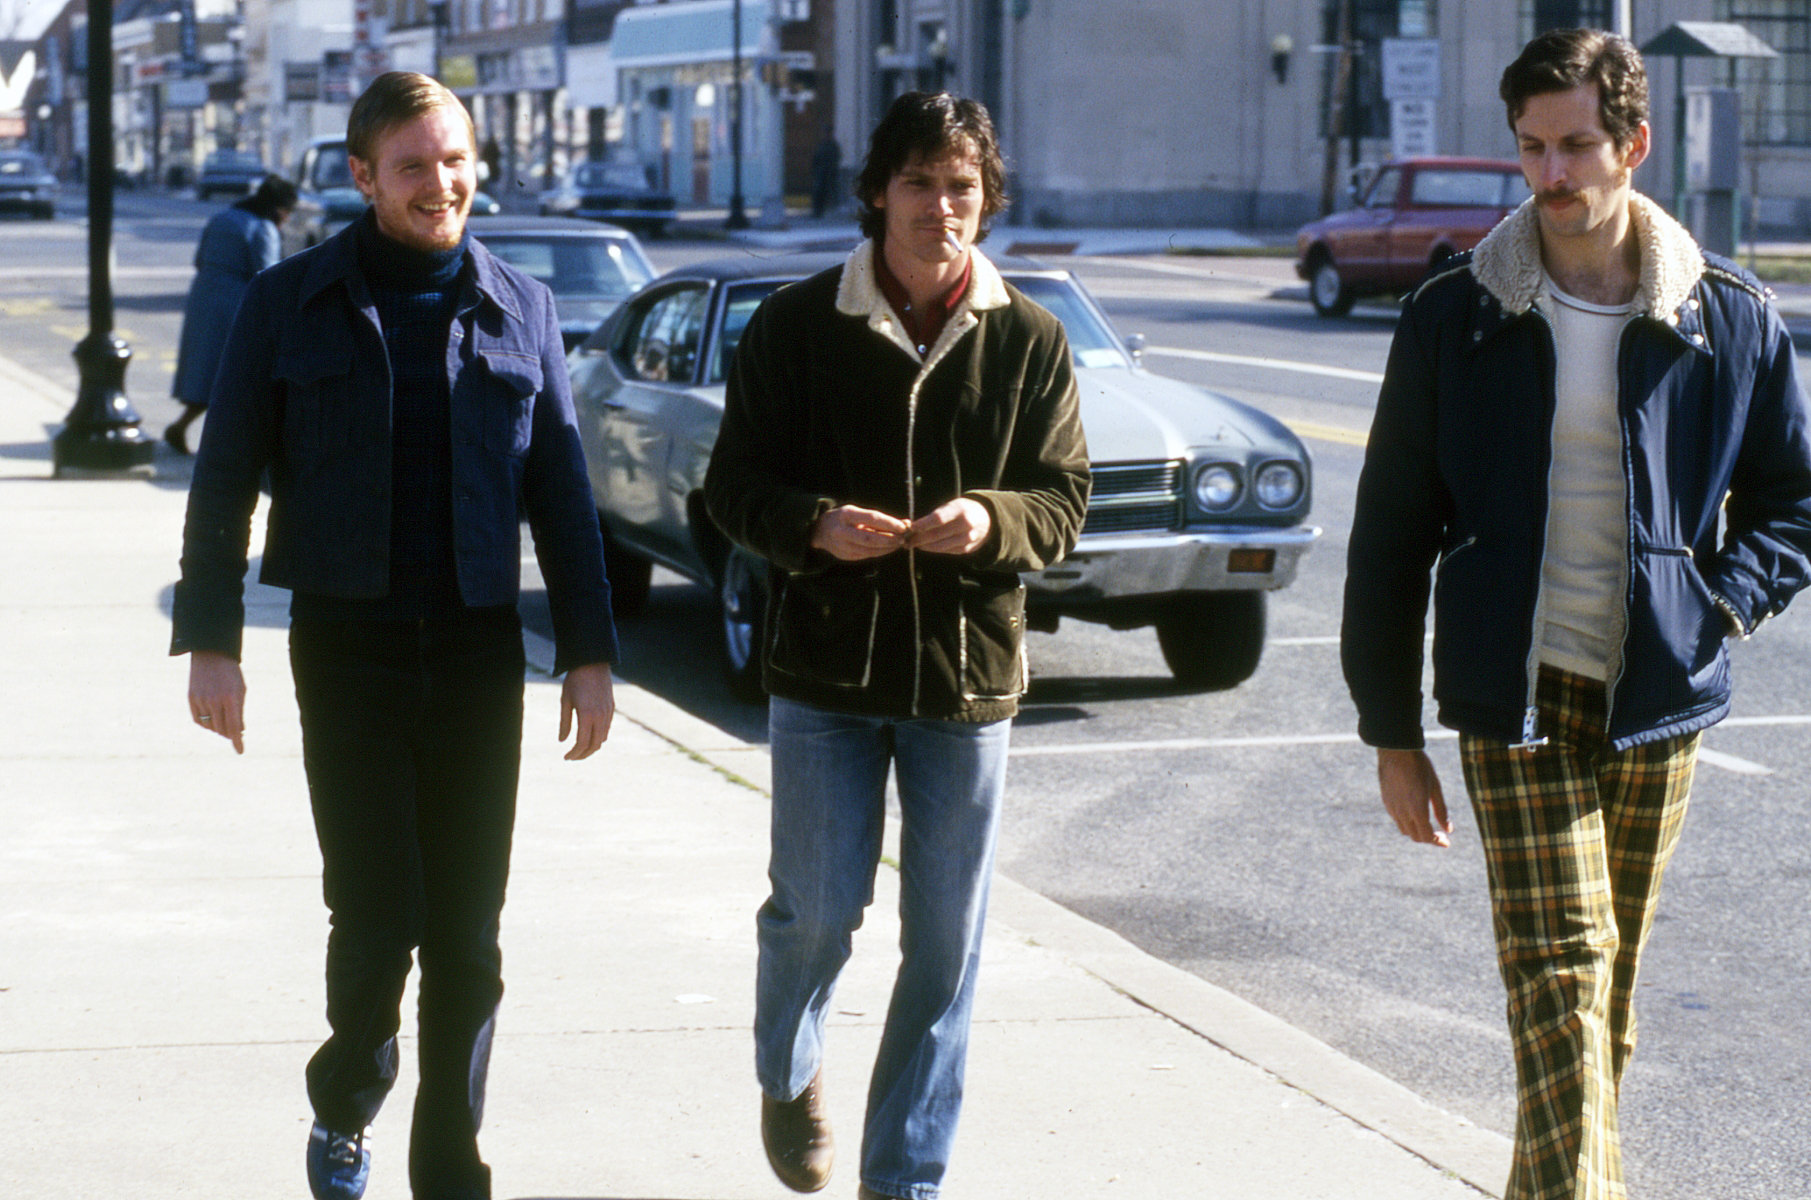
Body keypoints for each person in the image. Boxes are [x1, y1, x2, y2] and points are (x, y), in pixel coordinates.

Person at [1341, 28, 1811, 1200]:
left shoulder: (1727, 318)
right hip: (1516, 691)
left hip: (1656, 695)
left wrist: (1718, 605)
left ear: (1632, 145)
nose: (1550, 177)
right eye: (1530, 150)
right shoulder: (1459, 314)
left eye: (1576, 148)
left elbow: (1793, 501)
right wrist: (1389, 733)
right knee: (1561, 972)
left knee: (1602, 995)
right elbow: (1391, 532)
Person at [171, 72, 618, 1200]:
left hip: (475, 651)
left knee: (468, 929)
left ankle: (448, 1160)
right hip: (348, 645)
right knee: (375, 918)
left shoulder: (522, 306)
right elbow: (224, 477)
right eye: (412, 165)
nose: (441, 183)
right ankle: (348, 1096)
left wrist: (589, 650)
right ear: (363, 176)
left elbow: (561, 491)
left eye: (455, 159)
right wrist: (212, 637)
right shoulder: (287, 303)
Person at [704, 91, 1090, 1200]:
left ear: (986, 201)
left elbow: (1061, 499)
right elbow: (731, 485)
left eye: (961, 187)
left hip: (965, 682)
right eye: (917, 183)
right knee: (816, 913)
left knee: (945, 944)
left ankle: (904, 1177)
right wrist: (810, 526)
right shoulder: (794, 325)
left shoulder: (1027, 336)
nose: (939, 208)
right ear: (877, 191)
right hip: (824, 670)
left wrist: (992, 522)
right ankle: (789, 1071)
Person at [165, 174, 299, 454]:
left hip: (203, 298)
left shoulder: (222, 217)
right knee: (238, 376)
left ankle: (181, 427)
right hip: (235, 306)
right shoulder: (264, 228)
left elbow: (199, 259)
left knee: (205, 373)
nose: (287, 219)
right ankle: (228, 446)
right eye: (287, 212)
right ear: (278, 209)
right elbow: (268, 276)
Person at [810, 126, 842, 219]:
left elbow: (836, 158)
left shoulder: (833, 145)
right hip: (821, 172)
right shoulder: (821, 145)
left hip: (830, 173)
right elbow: (816, 159)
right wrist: (815, 171)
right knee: (818, 192)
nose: (827, 135)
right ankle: (817, 211)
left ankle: (828, 210)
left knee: (829, 192)